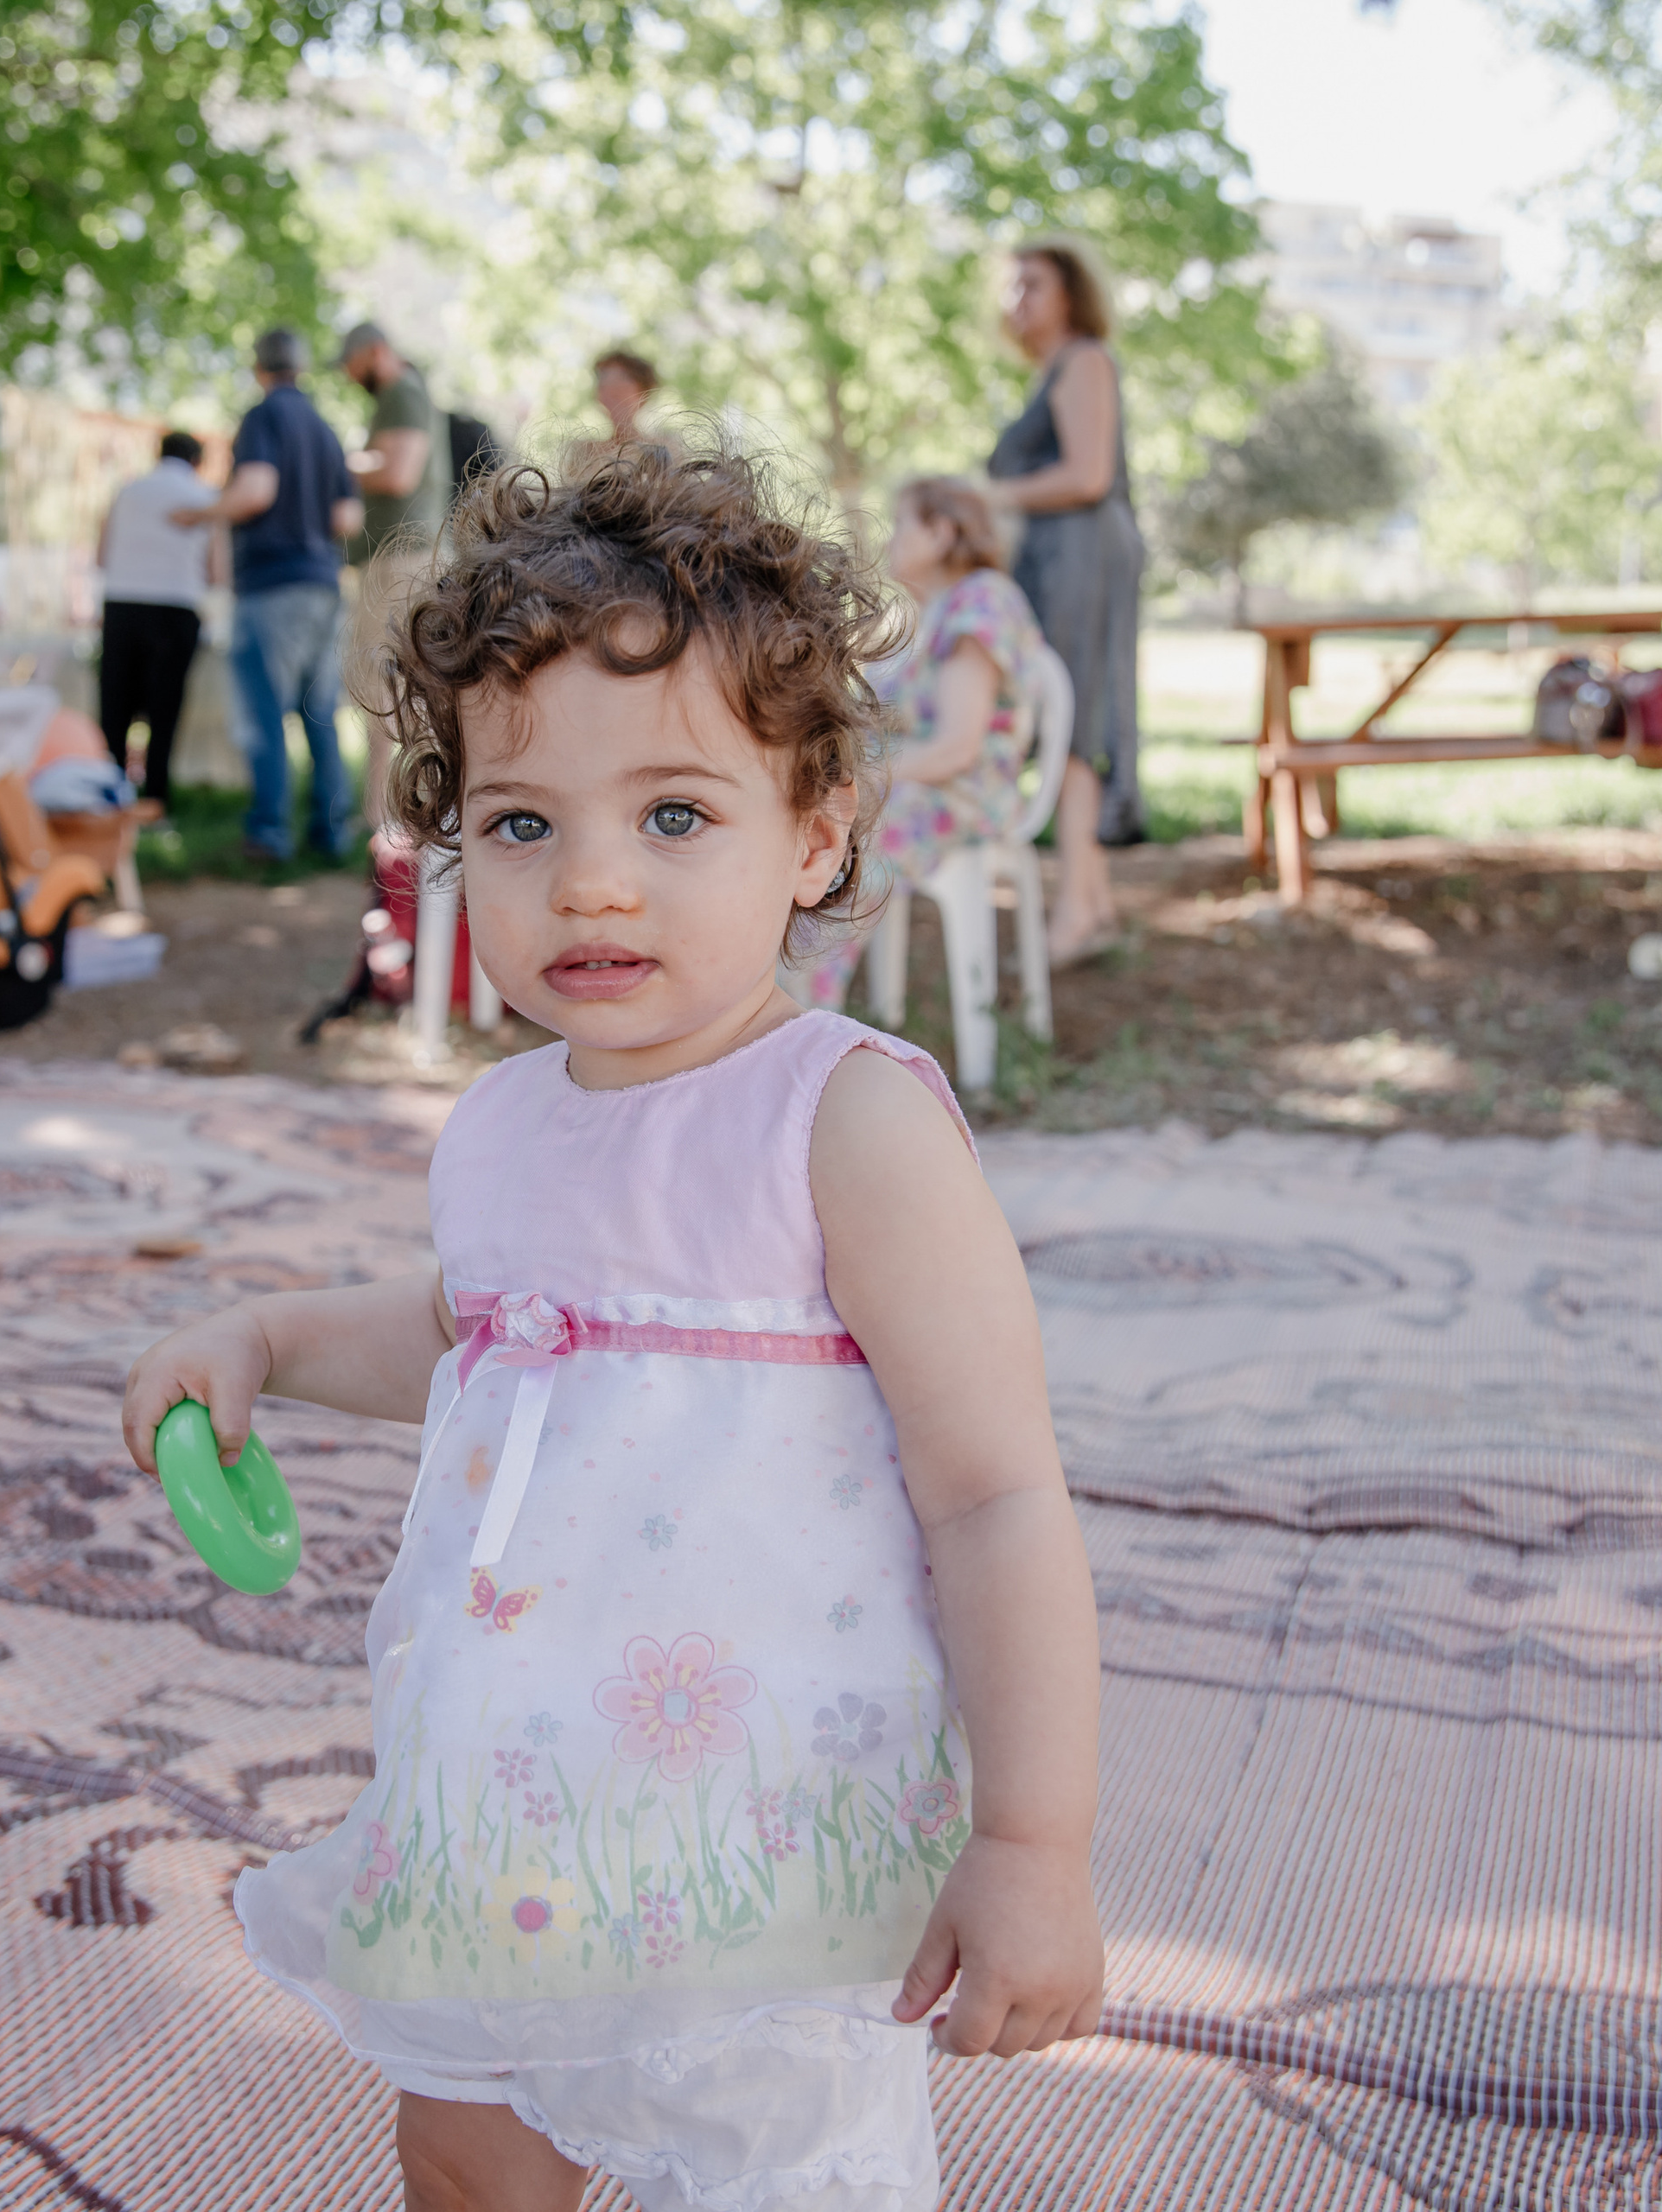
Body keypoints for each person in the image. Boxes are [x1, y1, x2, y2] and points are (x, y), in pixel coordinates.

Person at [121, 446, 1105, 2212]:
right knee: (462, 2150)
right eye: (521, 824)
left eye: (671, 816)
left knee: (767, 2180)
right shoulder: (506, 1121)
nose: (588, 882)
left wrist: (1031, 1838)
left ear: (815, 834)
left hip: (759, 1843)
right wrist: (269, 1335)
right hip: (506, 1809)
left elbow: (993, 1493)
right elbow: (480, 1335)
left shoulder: (844, 1120)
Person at [801, 477, 1047, 1017]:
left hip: (962, 795)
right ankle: (788, 994)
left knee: (850, 828)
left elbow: (957, 747)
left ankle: (803, 1007)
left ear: (941, 532)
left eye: (902, 523)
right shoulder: (933, 613)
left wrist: (863, 778)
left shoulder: (982, 600)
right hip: (925, 787)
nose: (889, 540)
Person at [985, 237, 1145, 964]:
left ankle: (1075, 912)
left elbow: (1087, 476)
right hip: (1055, 560)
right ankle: (1096, 904)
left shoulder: (1085, 361)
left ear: (1071, 294)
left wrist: (985, 497)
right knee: (1069, 710)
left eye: (1033, 285)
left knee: (1075, 717)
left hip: (1082, 558)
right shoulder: (1051, 370)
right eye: (1013, 286)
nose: (1016, 299)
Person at [208, 329, 362, 862]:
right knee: (320, 714)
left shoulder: (262, 417)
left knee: (263, 711)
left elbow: (255, 491)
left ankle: (270, 834)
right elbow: (347, 517)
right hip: (323, 583)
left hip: (272, 583)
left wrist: (204, 512)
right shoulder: (325, 427)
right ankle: (331, 832)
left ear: (259, 369)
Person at [337, 321, 452, 825]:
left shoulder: (401, 390)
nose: (348, 374)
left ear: (374, 352)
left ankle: (391, 825)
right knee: (399, 693)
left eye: (350, 363)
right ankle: (395, 821)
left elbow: (398, 472)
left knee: (389, 693)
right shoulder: (407, 392)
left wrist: (339, 463)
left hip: (400, 562)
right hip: (403, 559)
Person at [96, 429, 223, 810]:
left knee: (115, 705)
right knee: (164, 709)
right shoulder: (206, 497)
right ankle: (155, 798)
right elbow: (216, 571)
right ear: (197, 462)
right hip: (177, 606)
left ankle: (109, 796)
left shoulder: (126, 492)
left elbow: (101, 555)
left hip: (121, 603)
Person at [593, 347, 662, 446]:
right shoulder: (587, 449)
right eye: (603, 387)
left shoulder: (662, 447)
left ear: (643, 395)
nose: (609, 401)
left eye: (617, 394)